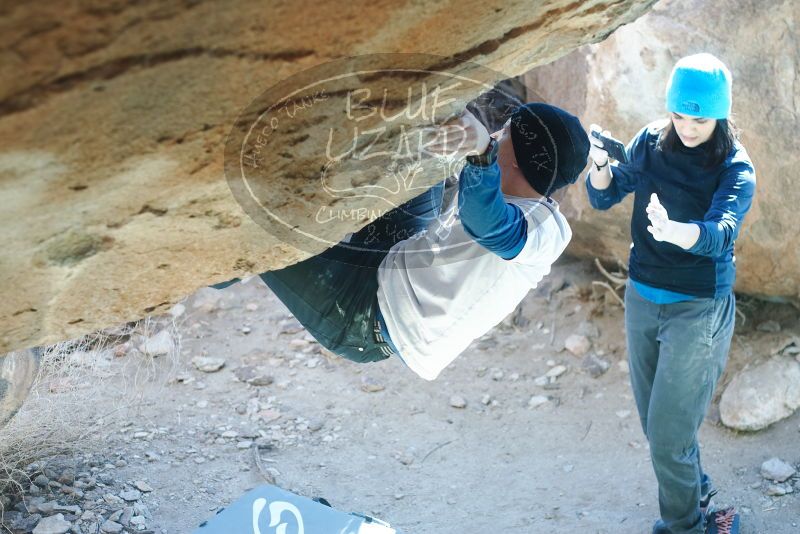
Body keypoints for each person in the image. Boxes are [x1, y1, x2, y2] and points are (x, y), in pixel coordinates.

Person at [216, 103, 590, 381]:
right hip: (396, 258)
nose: (494, 136)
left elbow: (487, 224)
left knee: (260, 228)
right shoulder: (503, 183)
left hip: (363, 319)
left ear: (516, 161)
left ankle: (207, 270)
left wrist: (479, 154)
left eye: (503, 133)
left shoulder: (546, 230)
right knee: (420, 145)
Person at [585, 53, 755, 534]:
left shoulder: (735, 168)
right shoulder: (652, 141)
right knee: (659, 428)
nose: (686, 127)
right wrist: (600, 164)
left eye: (699, 118)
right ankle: (698, 496)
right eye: (679, 114)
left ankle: (684, 527)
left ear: (720, 114)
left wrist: (678, 232)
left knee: (667, 435)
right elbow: (602, 195)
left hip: (698, 309)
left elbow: (722, 232)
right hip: (642, 297)